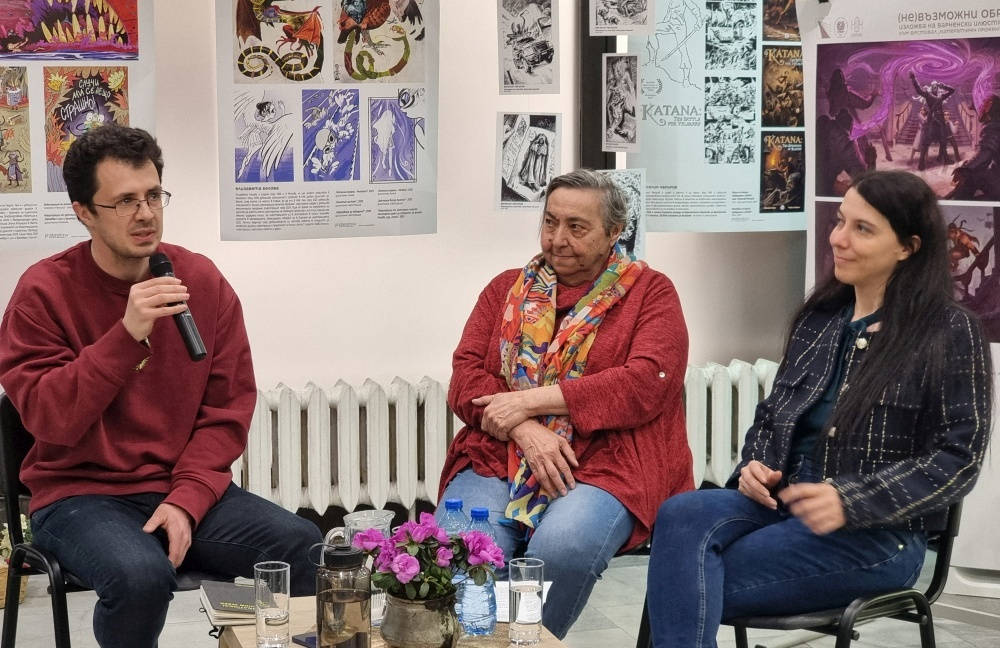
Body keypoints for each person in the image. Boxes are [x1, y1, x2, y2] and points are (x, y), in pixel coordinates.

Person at [0, 125, 322, 648]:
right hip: (79, 494)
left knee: (303, 544)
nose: (146, 213)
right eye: (125, 201)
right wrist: (125, 335)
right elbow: (48, 418)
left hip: (180, 485)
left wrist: (186, 499)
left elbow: (226, 412)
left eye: (153, 195)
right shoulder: (44, 291)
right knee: (140, 577)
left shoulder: (201, 280)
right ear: (84, 212)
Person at [645, 170, 992, 647]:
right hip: (782, 503)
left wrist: (850, 499)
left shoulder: (949, 331)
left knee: (681, 577)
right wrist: (754, 466)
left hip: (877, 535)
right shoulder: (820, 318)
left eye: (862, 229)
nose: (838, 238)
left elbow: (958, 460)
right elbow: (772, 415)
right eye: (840, 221)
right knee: (681, 515)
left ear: (907, 247)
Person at [437, 169, 693, 639]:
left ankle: (526, 645)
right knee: (463, 546)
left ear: (615, 232)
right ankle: (482, 642)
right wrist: (524, 428)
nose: (558, 239)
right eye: (550, 222)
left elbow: (645, 383)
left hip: (605, 461)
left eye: (577, 227)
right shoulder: (506, 290)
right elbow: (465, 377)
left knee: (562, 550)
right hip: (501, 454)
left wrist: (526, 402)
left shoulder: (651, 293)